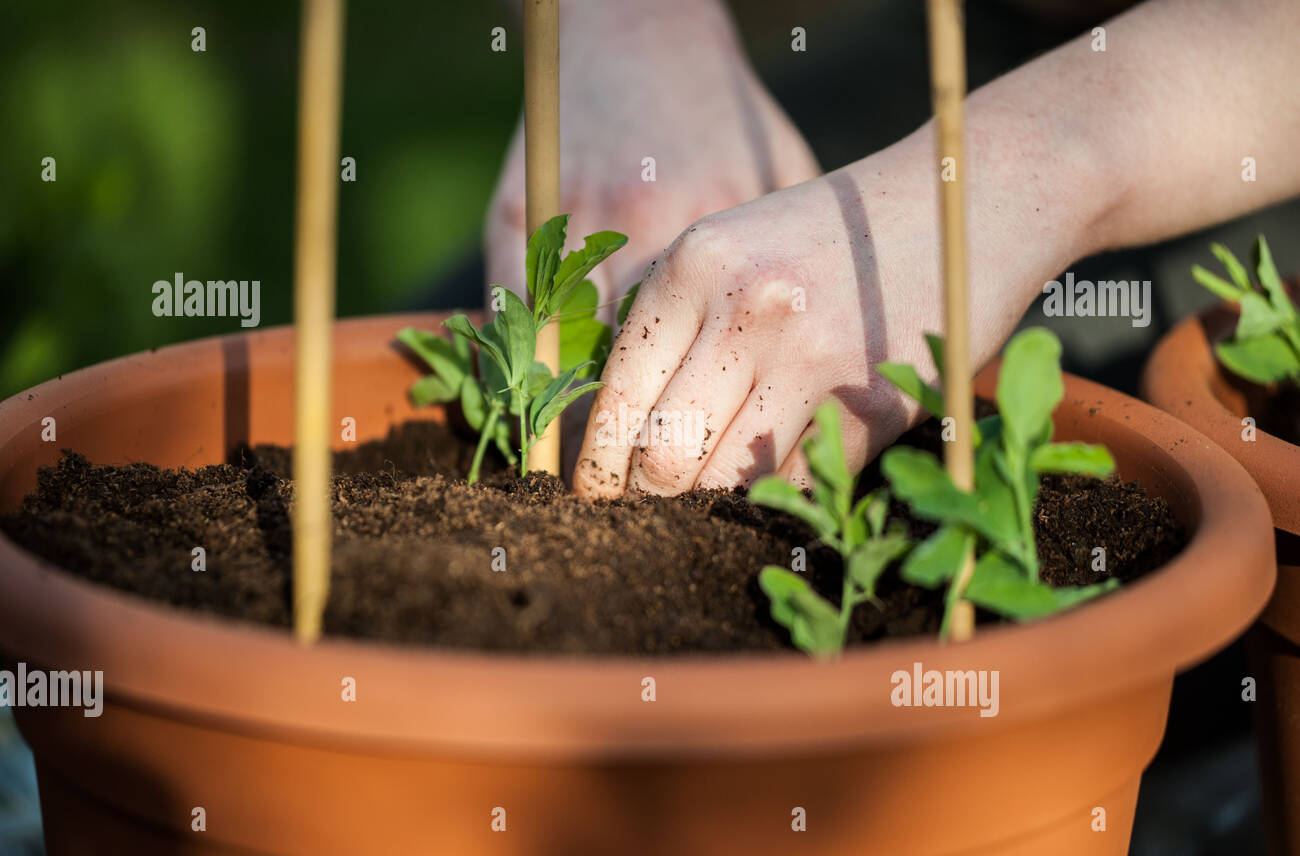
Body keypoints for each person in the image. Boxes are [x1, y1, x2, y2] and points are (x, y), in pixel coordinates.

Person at [482, 0, 1300, 499]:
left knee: (1165, 495)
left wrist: (1016, 177)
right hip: (987, 26)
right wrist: (632, 31)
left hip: (1245, 78)